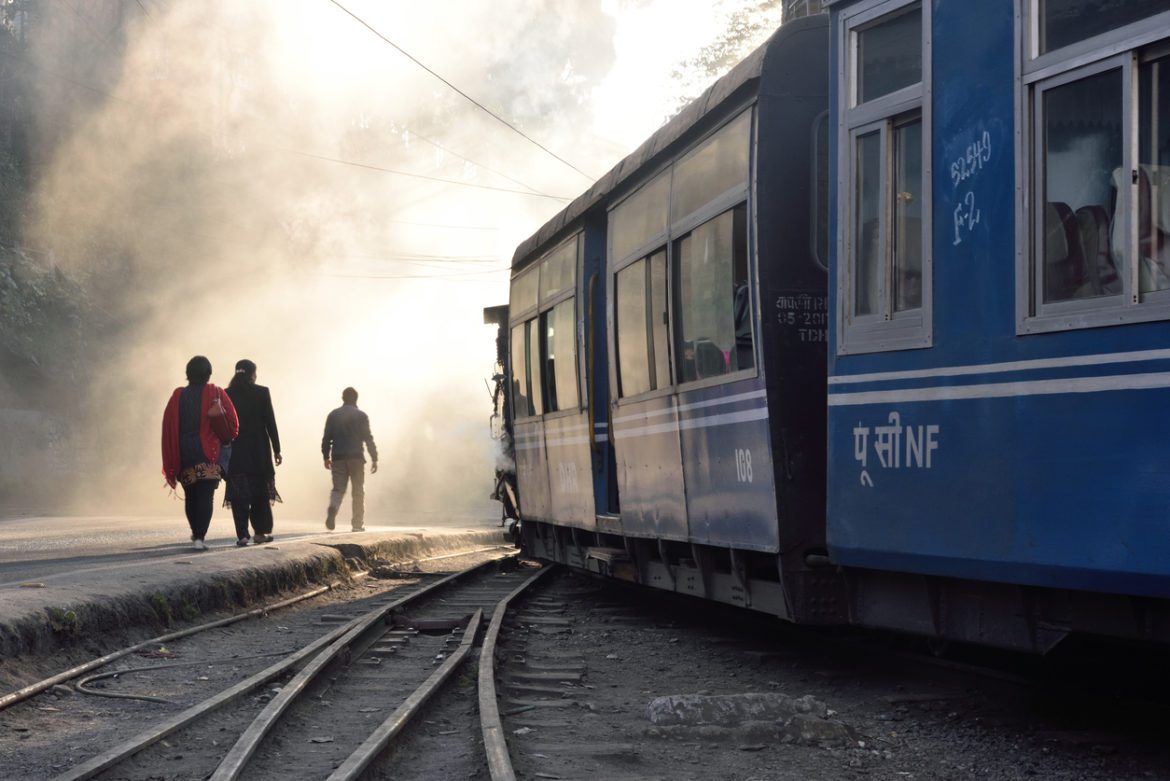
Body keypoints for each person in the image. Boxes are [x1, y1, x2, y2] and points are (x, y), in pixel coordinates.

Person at [162, 355, 239, 550]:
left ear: (188, 374)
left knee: (191, 495)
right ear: (208, 373)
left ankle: (196, 532)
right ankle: (199, 537)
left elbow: (168, 426)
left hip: (184, 452)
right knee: (206, 495)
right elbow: (233, 425)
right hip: (209, 452)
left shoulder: (177, 396)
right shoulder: (217, 392)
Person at [224, 359, 283, 546]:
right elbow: (270, 423)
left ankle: (242, 535)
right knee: (260, 493)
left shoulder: (226, 394)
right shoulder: (261, 392)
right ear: (252, 374)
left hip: (236, 450)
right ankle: (259, 533)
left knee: (239, 493)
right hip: (259, 450)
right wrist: (277, 449)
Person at [321, 387, 378, 532]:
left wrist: (326, 456)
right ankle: (357, 524)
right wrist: (374, 458)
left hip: (338, 457)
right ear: (356, 399)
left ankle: (333, 509)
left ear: (343, 398)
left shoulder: (333, 415)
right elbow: (368, 438)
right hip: (356, 458)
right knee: (358, 491)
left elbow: (326, 438)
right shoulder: (361, 416)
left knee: (338, 489)